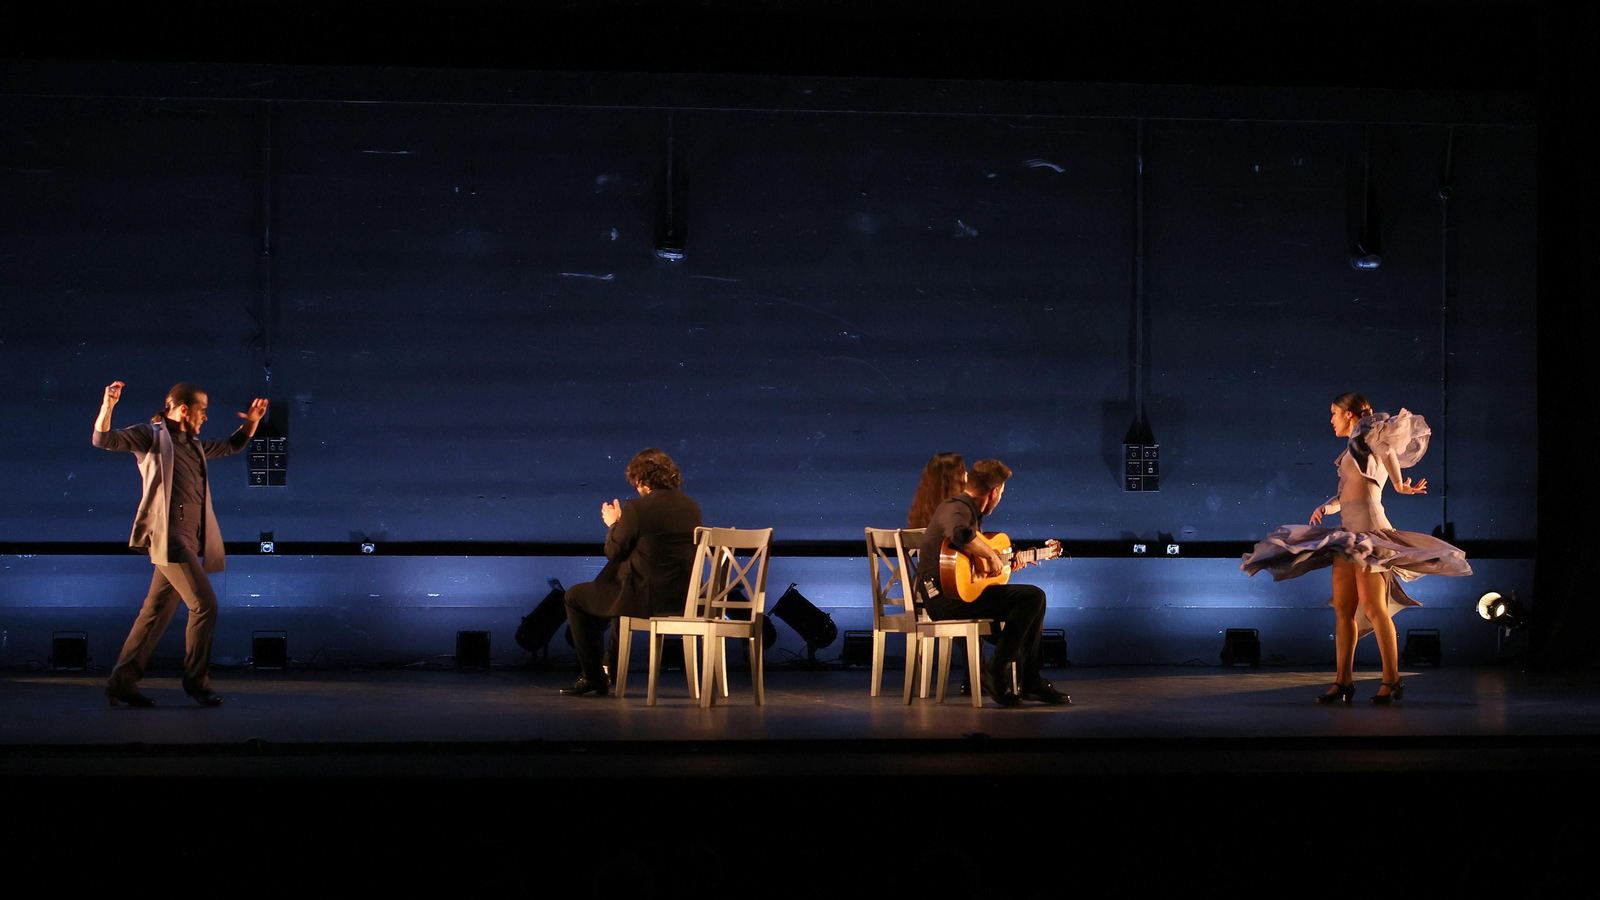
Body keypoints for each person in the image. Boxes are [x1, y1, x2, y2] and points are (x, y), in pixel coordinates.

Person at [1242, 393, 1471, 703]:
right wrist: (1327, 506)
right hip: (1348, 536)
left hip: (1370, 534)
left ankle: (1392, 679)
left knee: (1374, 608)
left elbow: (1387, 451)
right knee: (1343, 609)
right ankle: (1343, 681)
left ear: (1349, 414)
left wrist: (1400, 484)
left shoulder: (1369, 435)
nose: (1331, 419)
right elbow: (1349, 494)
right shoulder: (1352, 447)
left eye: (1334, 413)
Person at [93, 381, 268, 707]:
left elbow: (231, 446)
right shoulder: (151, 436)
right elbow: (103, 439)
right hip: (169, 537)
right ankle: (196, 683)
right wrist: (108, 405)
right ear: (184, 409)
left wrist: (252, 423)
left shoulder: (194, 444)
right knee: (205, 605)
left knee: (155, 612)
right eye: (202, 410)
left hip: (189, 536)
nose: (205, 417)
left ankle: (121, 682)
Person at [911, 459, 1067, 706]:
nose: (1000, 497)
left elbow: (973, 567)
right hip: (945, 599)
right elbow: (960, 533)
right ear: (994, 492)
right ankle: (998, 672)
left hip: (957, 596)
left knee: (1031, 601)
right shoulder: (956, 506)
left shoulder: (968, 512)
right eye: (1002, 493)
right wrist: (991, 555)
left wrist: (1005, 562)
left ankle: (1028, 680)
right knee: (1032, 598)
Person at [561, 448, 703, 697]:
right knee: (619, 597)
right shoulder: (692, 507)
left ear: (643, 480)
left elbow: (614, 552)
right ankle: (609, 667)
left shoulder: (637, 508)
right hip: (682, 599)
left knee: (574, 597)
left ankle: (594, 676)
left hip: (645, 599)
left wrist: (614, 524)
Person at [907, 452, 967, 529]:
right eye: (962, 471)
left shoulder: (921, 509)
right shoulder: (959, 512)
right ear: (955, 480)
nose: (966, 473)